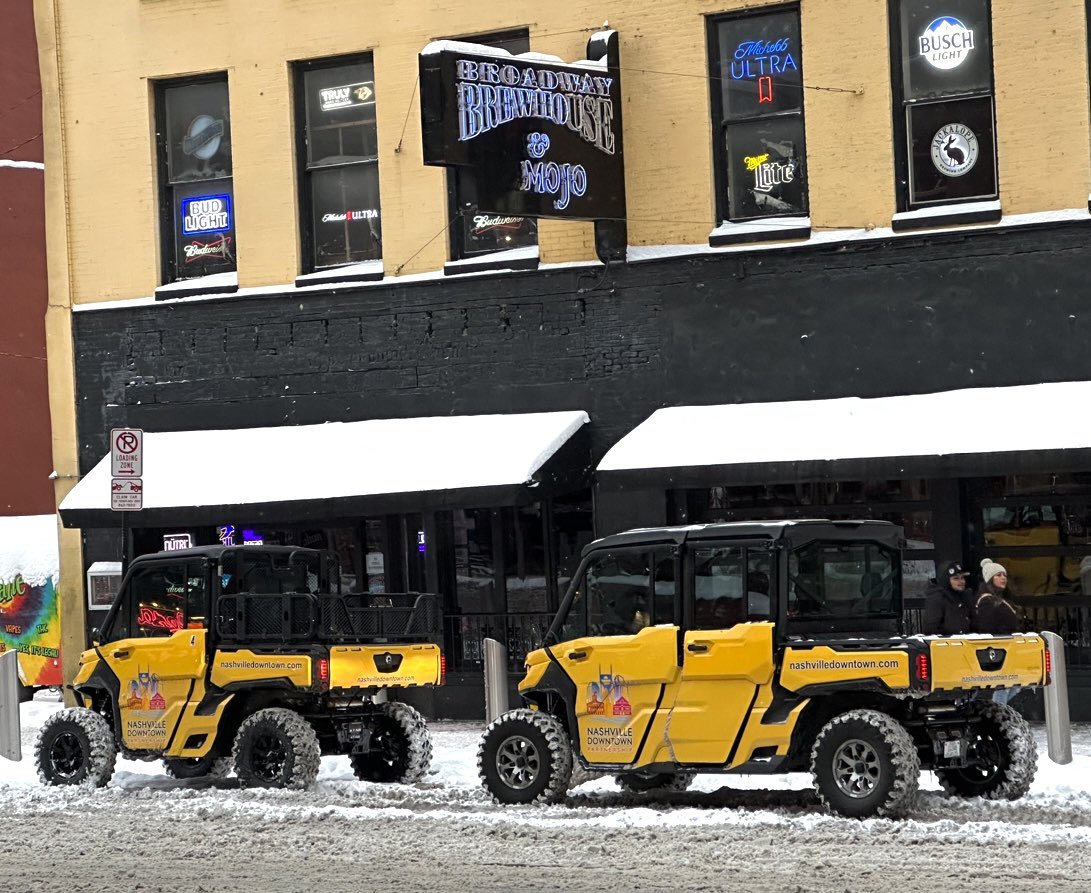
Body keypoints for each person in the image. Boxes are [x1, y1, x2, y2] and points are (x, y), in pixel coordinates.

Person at [974, 558, 1024, 705]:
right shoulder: (986, 601)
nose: (1003, 578)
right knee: (1004, 685)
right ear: (990, 579)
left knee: (1013, 685)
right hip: (996, 648)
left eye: (1004, 575)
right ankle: (996, 711)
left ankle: (993, 709)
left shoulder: (1003, 598)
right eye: (998, 575)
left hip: (1007, 647)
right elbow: (986, 626)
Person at [922, 560, 972, 635]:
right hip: (944, 644)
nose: (961, 581)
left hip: (964, 643)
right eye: (956, 578)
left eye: (962, 578)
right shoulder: (937, 597)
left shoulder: (964, 596)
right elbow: (930, 629)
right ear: (946, 580)